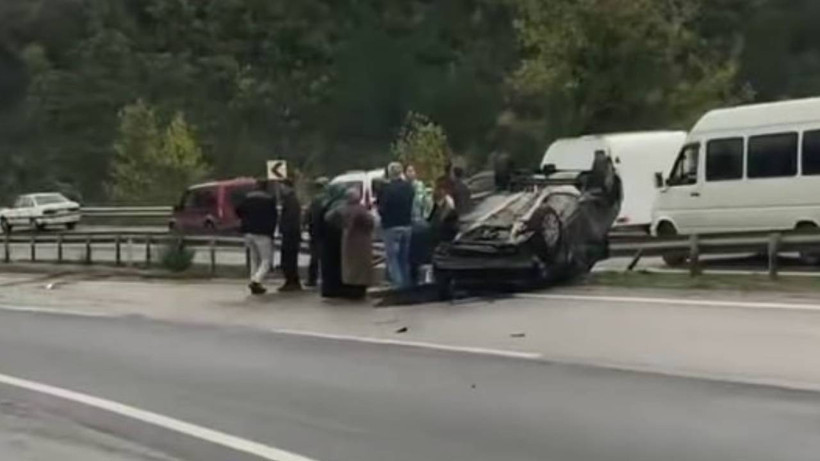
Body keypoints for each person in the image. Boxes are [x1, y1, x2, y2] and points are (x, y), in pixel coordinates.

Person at [327, 188, 375, 299]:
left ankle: (350, 289)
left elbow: (328, 217)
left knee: (349, 266)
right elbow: (371, 223)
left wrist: (340, 226)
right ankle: (360, 290)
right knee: (361, 266)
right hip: (362, 241)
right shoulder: (361, 210)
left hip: (348, 240)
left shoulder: (342, 209)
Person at [235, 179, 278, 295]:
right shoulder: (269, 200)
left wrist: (245, 218)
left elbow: (238, 210)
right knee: (266, 260)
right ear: (266, 187)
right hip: (263, 232)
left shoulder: (247, 198)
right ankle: (256, 280)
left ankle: (254, 282)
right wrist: (272, 232)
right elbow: (274, 217)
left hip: (248, 231)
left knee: (254, 259)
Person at [378, 162, 415, 288]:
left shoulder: (387, 189)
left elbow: (382, 208)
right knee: (404, 259)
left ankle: (398, 285)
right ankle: (407, 283)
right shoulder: (409, 187)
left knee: (392, 258)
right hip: (407, 224)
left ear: (389, 173)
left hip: (391, 227)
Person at [318, 184, 348, 298]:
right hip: (341, 239)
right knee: (340, 264)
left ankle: (329, 289)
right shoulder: (343, 205)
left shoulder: (325, 204)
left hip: (327, 239)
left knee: (329, 265)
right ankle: (340, 287)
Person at [278, 179, 302, 292]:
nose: (281, 189)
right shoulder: (290, 199)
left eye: (282, 186)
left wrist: (285, 230)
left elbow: (291, 218)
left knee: (288, 258)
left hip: (290, 234)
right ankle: (292, 280)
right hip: (291, 233)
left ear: (288, 187)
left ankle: (291, 281)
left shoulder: (291, 200)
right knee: (289, 258)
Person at [305, 177, 328, 287]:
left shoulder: (314, 200)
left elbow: (308, 215)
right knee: (325, 256)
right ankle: (325, 278)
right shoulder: (327, 199)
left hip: (314, 230)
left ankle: (312, 279)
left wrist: (307, 225)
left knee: (314, 256)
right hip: (325, 230)